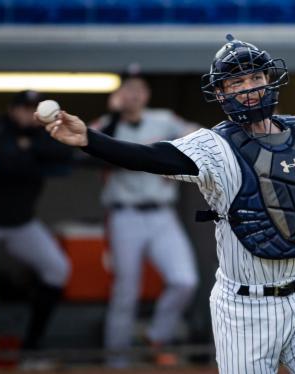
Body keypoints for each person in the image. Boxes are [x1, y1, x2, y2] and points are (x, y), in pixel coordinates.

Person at [39, 34, 295, 373]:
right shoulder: (213, 146)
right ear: (221, 93)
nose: (248, 89)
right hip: (244, 308)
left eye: (254, 78)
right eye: (236, 83)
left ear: (269, 79)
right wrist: (90, 139)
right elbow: (151, 157)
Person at [89, 67, 200, 366]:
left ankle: (157, 336)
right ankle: (117, 362)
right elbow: (89, 142)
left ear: (147, 94)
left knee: (184, 280)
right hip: (125, 215)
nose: (133, 94)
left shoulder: (162, 119)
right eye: (127, 89)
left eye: (138, 88)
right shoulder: (106, 124)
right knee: (126, 291)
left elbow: (198, 135)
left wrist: (177, 156)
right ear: (117, 95)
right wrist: (113, 115)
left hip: (162, 214)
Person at [0, 90, 72, 368]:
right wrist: (32, 152)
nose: (28, 113)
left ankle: (30, 349)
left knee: (57, 269)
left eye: (33, 108)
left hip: (20, 222)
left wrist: (28, 146)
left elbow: (64, 152)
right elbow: (5, 156)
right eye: (24, 108)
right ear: (13, 110)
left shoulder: (47, 132)